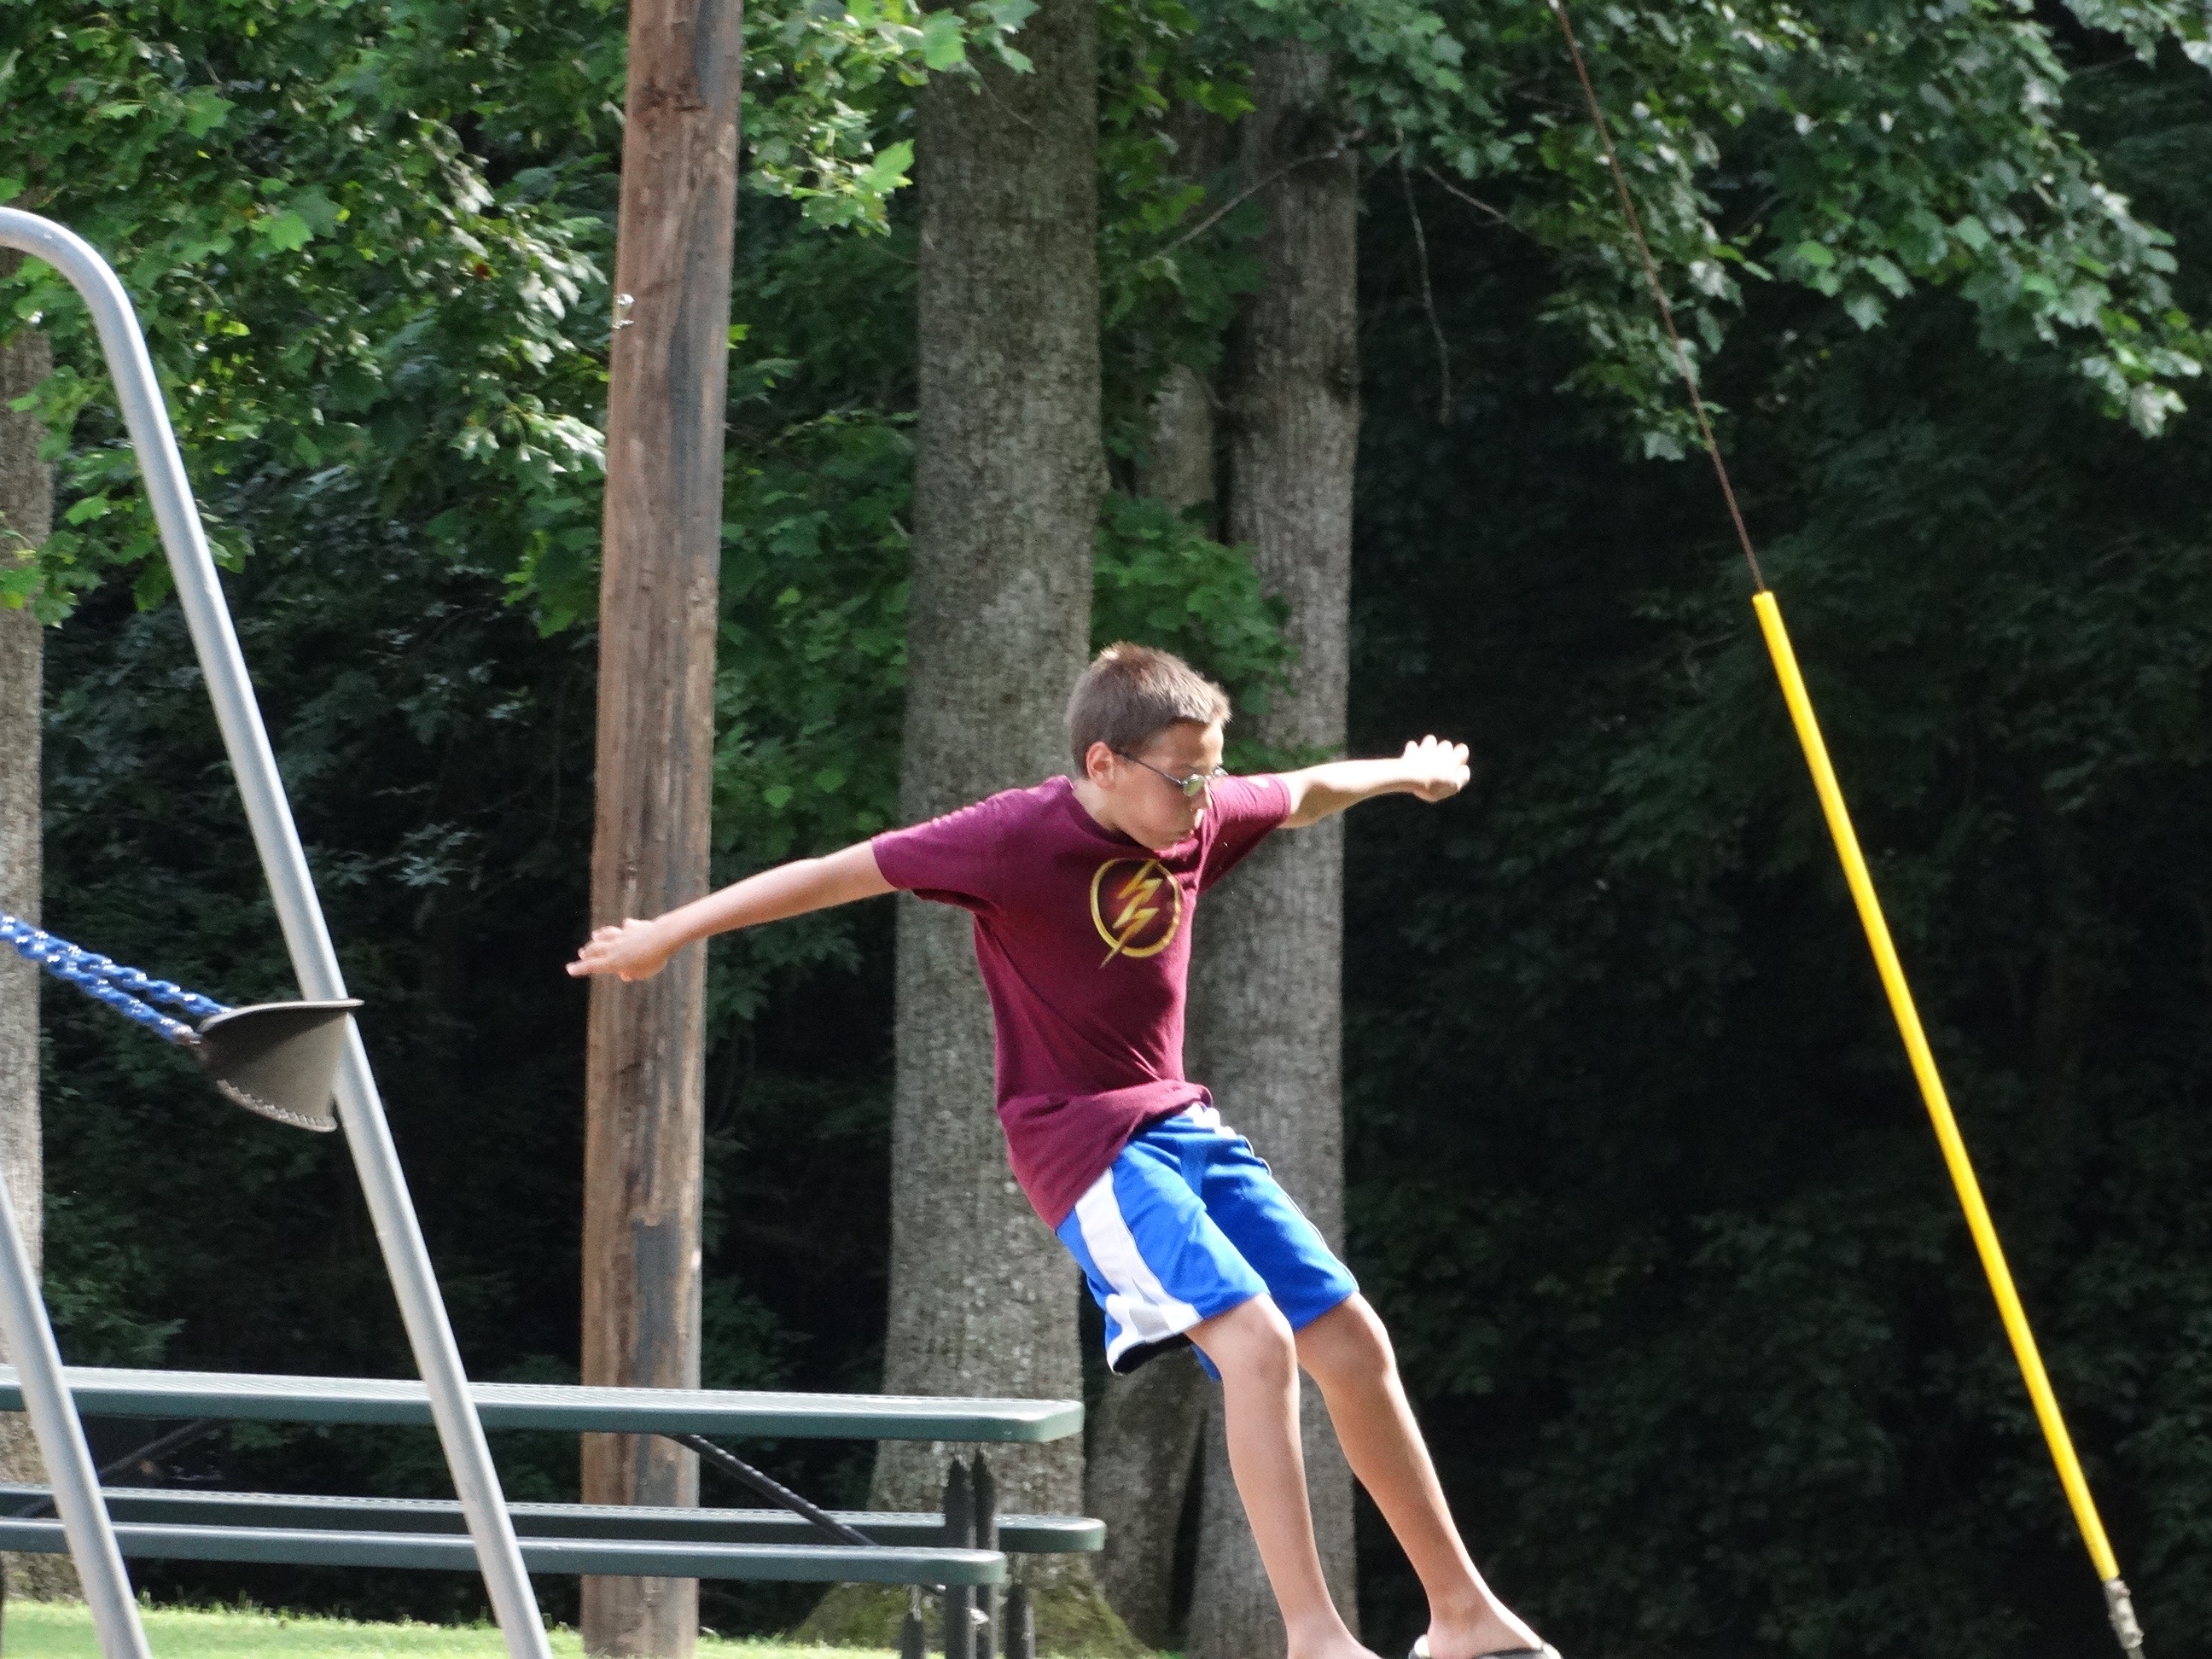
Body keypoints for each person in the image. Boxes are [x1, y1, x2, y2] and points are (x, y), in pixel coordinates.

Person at [569, 642, 1556, 1659]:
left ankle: (1463, 1617)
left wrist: (1404, 772)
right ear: (1103, 764)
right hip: (1084, 1146)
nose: (1202, 799)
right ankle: (1315, 1639)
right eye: (1183, 779)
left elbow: (1303, 792)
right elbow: (835, 874)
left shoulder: (1198, 811)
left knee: (1351, 1341)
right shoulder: (1010, 839)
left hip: (1180, 1124)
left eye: (1211, 774)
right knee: (1256, 1344)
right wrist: (668, 933)